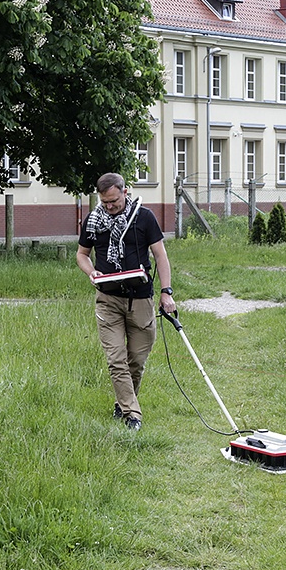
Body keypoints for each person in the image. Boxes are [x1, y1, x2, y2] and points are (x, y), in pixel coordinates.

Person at [76, 173, 175, 431]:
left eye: (114, 201)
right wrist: (91, 272)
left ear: (125, 192)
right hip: (107, 300)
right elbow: (82, 255)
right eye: (105, 202)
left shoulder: (144, 218)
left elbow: (161, 256)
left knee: (136, 360)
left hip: (141, 300)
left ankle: (122, 404)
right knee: (116, 358)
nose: (109, 207)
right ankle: (133, 415)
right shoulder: (94, 220)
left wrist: (166, 292)